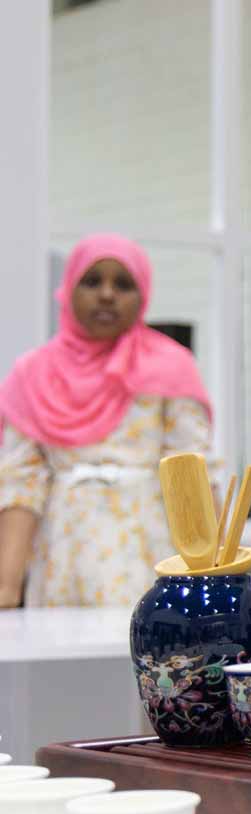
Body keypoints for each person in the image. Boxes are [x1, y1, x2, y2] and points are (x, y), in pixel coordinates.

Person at [0, 233, 214, 608]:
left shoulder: (170, 365)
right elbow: (21, 485)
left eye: (124, 284)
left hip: (151, 547)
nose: (107, 295)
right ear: (67, 289)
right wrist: (6, 585)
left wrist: (212, 572)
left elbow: (193, 474)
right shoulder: (32, 374)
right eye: (92, 281)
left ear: (143, 295)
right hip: (62, 551)